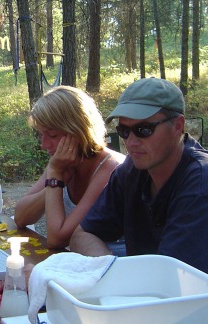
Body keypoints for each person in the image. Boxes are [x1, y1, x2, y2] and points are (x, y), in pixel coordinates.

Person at [70, 77, 208, 276]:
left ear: (178, 126)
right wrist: (110, 269)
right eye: (124, 131)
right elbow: (82, 234)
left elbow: (172, 279)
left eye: (144, 130)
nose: (131, 142)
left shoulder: (202, 181)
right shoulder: (131, 171)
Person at [14, 86, 125, 249]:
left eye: (52, 135)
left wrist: (55, 179)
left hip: (114, 266)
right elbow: (20, 217)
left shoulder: (112, 169)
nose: (44, 145)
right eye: (40, 135)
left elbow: (57, 239)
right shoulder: (60, 163)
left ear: (79, 132)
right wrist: (54, 183)